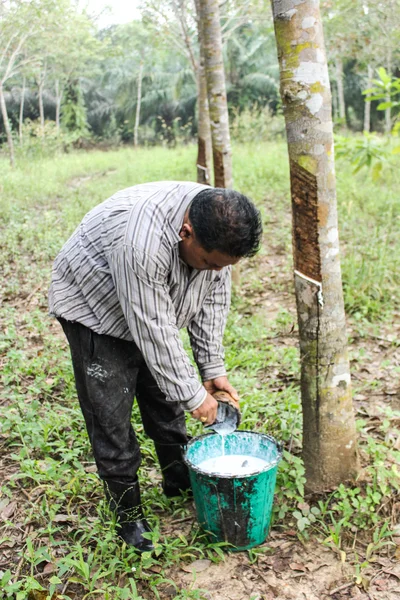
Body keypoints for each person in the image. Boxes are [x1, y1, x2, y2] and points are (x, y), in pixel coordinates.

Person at [49, 181, 262, 552]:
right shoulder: (139, 243)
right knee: (111, 419)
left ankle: (178, 480)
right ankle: (128, 517)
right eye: (211, 263)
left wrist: (212, 370)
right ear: (186, 232)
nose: (216, 271)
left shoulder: (217, 225)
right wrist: (195, 397)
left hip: (148, 304)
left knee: (164, 399)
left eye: (223, 267)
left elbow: (211, 300)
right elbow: (154, 328)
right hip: (94, 308)